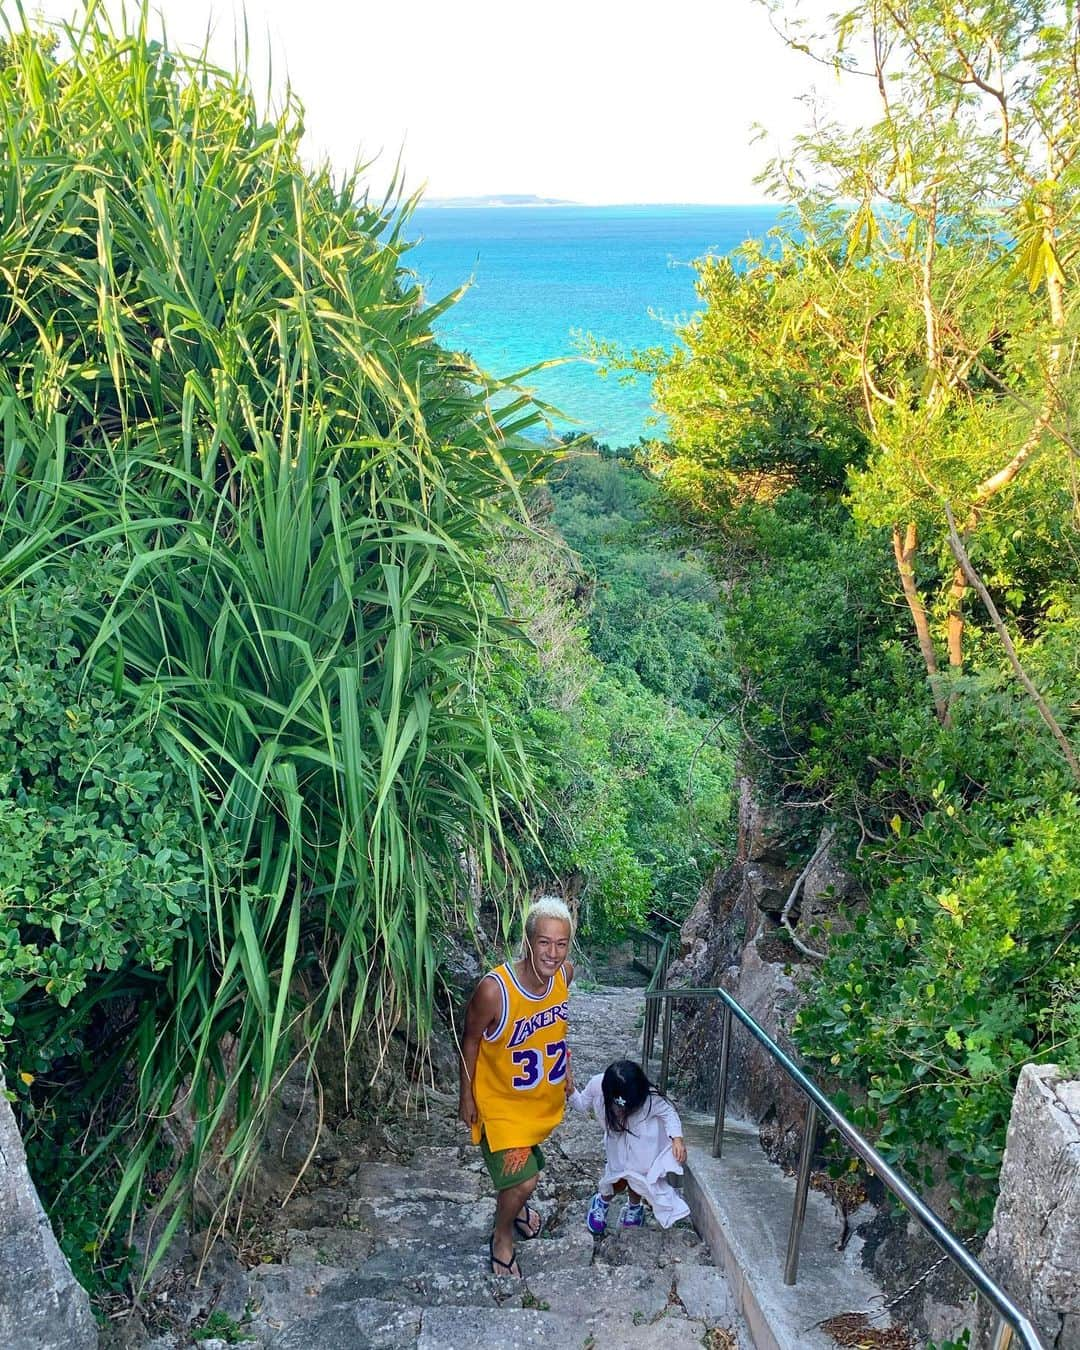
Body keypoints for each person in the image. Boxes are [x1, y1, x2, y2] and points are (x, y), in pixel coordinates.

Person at [458, 896, 574, 1277]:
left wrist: (565, 1067)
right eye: (544, 942)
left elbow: (558, 1026)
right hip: (501, 1106)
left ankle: (516, 1207)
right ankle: (502, 1234)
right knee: (525, 1179)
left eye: (560, 943)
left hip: (538, 1102)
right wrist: (466, 1093)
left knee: (522, 1177)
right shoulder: (495, 990)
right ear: (528, 941)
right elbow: (471, 1040)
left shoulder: (564, 975)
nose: (552, 953)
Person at [566, 1057, 690, 1232]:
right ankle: (602, 1200)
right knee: (618, 1179)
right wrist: (570, 1091)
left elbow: (668, 1112)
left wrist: (677, 1138)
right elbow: (581, 1104)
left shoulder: (648, 1097)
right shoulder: (597, 1085)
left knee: (638, 1179)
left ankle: (634, 1207)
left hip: (642, 1146)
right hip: (617, 1144)